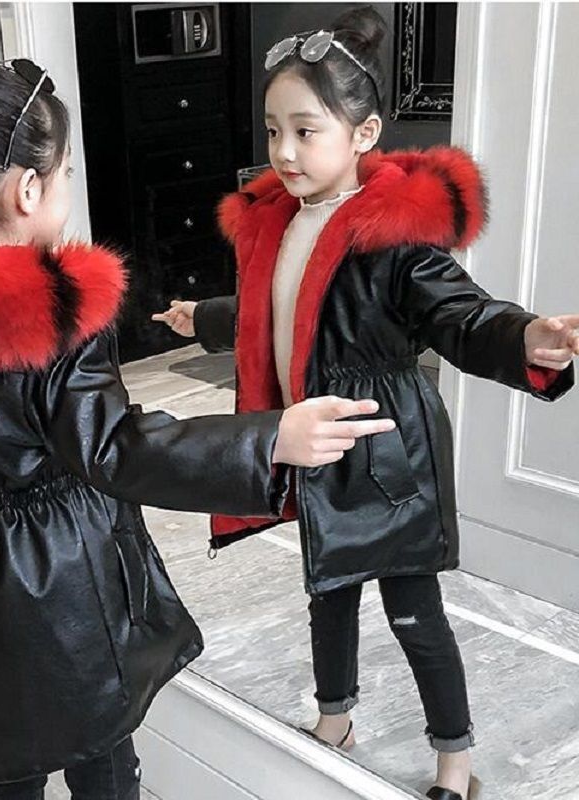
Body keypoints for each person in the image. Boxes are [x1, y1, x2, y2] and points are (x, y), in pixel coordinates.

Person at [0, 40, 397, 800]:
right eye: (67, 172)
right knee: (102, 753)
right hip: (63, 570)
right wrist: (270, 438)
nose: (70, 186)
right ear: (29, 190)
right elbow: (118, 447)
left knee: (2, 756)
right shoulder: (53, 315)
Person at [153, 8, 578, 799]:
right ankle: (335, 719)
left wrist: (524, 336)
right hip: (318, 442)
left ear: (364, 133)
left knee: (414, 610)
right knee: (328, 591)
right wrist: (202, 318)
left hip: (387, 450)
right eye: (273, 131)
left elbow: (462, 315)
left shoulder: (394, 238)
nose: (284, 151)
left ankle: (455, 761)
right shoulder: (280, 224)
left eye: (305, 131)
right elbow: (274, 311)